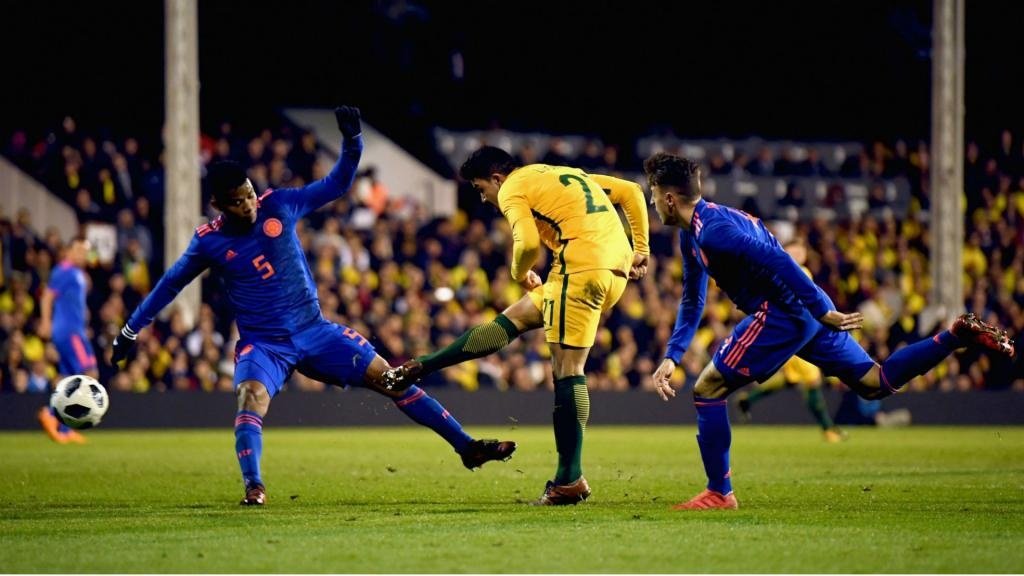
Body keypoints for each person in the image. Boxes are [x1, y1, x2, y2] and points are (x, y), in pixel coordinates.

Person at [109, 107, 515, 506]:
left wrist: (353, 142)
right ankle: (254, 486)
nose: (249, 205)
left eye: (249, 194)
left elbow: (338, 183)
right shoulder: (207, 242)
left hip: (315, 330)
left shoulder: (280, 204)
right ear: (218, 204)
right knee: (251, 397)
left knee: (392, 379)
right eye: (237, 202)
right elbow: (168, 286)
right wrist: (130, 331)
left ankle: (467, 447)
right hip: (265, 344)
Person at [644, 152, 1015, 511]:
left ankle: (719, 492)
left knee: (708, 389)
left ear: (670, 198)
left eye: (653, 193)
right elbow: (693, 300)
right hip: (802, 306)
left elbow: (777, 258)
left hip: (785, 310)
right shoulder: (694, 233)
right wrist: (672, 356)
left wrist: (823, 309)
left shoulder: (713, 233)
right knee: (875, 381)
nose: (651, 201)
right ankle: (954, 336)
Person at [387, 146, 650, 505]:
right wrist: (642, 249)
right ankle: (423, 365)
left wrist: (518, 272)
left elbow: (526, 243)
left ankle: (568, 480)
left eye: (481, 189)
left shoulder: (513, 187)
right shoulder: (558, 174)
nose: (483, 198)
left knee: (568, 370)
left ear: (497, 178)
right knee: (512, 320)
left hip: (580, 266)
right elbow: (631, 192)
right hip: (603, 269)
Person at [735, 239, 847, 443]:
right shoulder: (781, 272)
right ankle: (828, 429)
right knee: (812, 379)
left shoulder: (802, 271)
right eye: (793, 250)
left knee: (790, 379)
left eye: (801, 251)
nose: (797, 254)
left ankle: (747, 400)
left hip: (799, 334)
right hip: (792, 334)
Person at [36, 237, 95, 444]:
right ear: (69, 250)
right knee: (84, 375)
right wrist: (45, 321)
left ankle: (63, 427)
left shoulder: (78, 274)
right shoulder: (63, 271)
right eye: (79, 249)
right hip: (69, 331)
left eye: (86, 251)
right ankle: (52, 415)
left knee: (71, 375)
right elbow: (47, 296)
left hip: (76, 330)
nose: (83, 254)